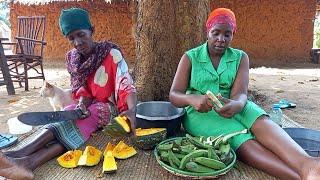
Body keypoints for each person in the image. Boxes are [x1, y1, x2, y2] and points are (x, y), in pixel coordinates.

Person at [169, 8, 320, 180]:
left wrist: (237, 105)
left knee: (259, 119)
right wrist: (192, 99)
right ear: (207, 31)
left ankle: (308, 164)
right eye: (215, 33)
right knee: (238, 137)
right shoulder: (190, 57)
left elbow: (240, 94)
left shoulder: (240, 57)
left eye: (227, 34)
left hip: (232, 103)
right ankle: (300, 176)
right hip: (199, 113)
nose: (221, 39)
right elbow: (174, 95)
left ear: (233, 34)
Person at [0, 7, 137, 180]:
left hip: (111, 107)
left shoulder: (111, 53)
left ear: (91, 30)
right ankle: (18, 154)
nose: (77, 42)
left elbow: (126, 85)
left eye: (81, 34)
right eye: (71, 38)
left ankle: (28, 163)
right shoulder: (73, 58)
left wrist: (132, 110)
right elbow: (84, 91)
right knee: (67, 113)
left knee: (91, 115)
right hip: (90, 105)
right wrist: (81, 105)